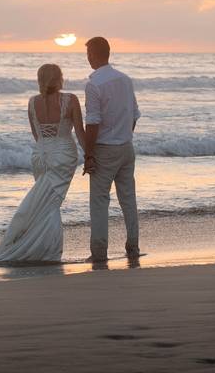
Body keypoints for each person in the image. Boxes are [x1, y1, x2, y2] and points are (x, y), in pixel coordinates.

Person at [0, 63, 86, 263]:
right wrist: (91, 156)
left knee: (44, 201)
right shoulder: (71, 99)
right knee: (52, 203)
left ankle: (35, 245)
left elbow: (37, 136)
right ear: (60, 79)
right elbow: (80, 133)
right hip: (63, 154)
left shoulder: (32, 103)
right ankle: (48, 251)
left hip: (40, 155)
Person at [82, 36, 141, 262]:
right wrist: (124, 136)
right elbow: (134, 115)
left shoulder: (94, 84)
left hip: (105, 149)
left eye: (88, 55)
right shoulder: (125, 80)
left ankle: (99, 252)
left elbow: (93, 122)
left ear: (94, 55)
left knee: (99, 202)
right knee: (128, 199)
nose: (87, 59)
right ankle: (133, 246)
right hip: (126, 147)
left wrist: (89, 155)